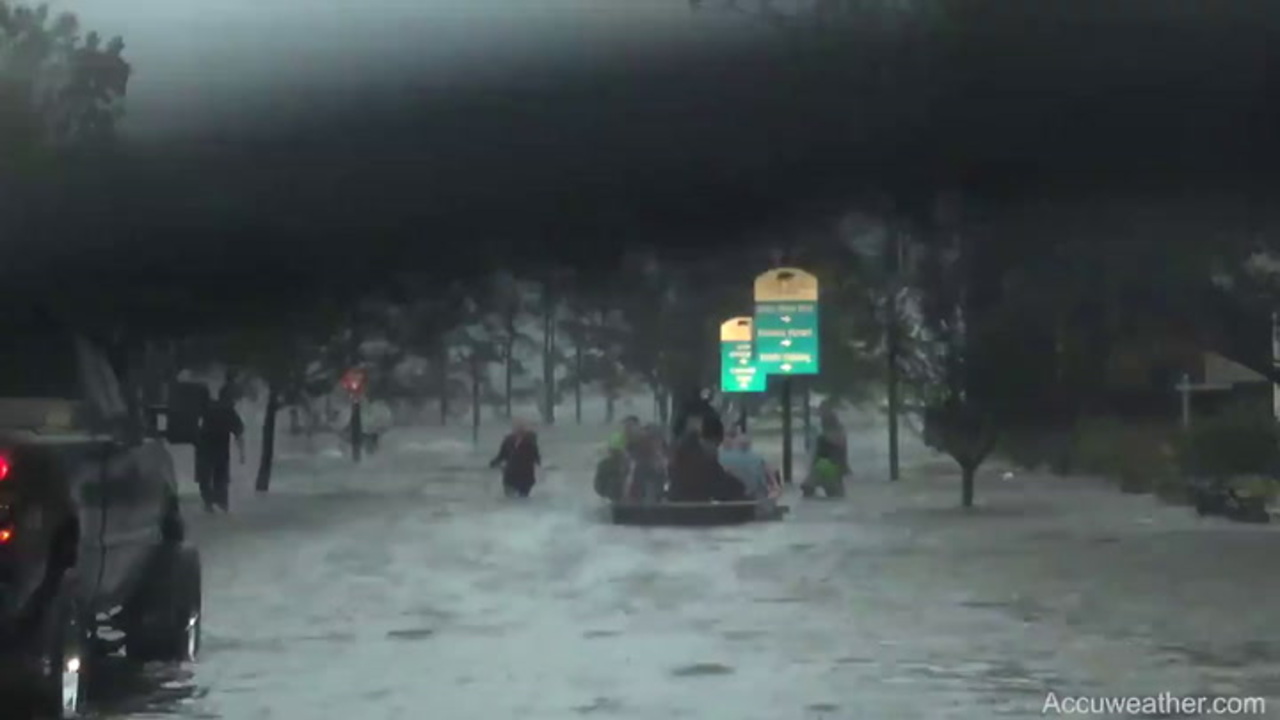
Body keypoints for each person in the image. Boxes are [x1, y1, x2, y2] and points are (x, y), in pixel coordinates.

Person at [196, 384, 246, 513]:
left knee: (206, 478)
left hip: (205, 447)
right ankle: (220, 505)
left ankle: (209, 504)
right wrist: (242, 453)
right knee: (221, 479)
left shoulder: (209, 407)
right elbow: (239, 434)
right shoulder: (229, 412)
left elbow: (195, 421)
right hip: (219, 450)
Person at [667, 421, 745, 502]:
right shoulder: (708, 465)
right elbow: (735, 487)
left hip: (678, 508)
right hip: (704, 509)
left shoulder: (675, 466)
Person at [802, 409, 849, 498]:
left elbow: (815, 459)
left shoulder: (821, 438)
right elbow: (843, 460)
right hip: (834, 474)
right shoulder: (842, 436)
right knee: (837, 496)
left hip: (821, 470)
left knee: (808, 489)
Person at [490, 419, 541, 498]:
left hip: (526, 476)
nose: (519, 430)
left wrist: (540, 466)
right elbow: (502, 455)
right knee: (509, 498)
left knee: (523, 499)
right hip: (510, 475)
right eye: (517, 427)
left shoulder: (530, 441)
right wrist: (493, 463)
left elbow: (536, 457)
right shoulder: (508, 440)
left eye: (521, 428)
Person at [595, 417, 640, 501]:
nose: (629, 431)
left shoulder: (643, 446)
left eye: (631, 427)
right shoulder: (606, 464)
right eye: (627, 427)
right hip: (616, 497)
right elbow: (599, 487)